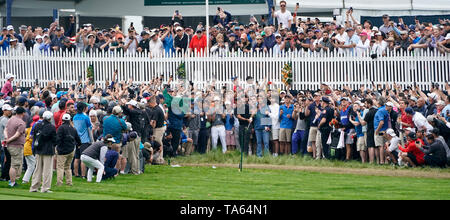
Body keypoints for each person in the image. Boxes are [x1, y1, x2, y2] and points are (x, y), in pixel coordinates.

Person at [29, 111, 56, 193]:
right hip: (48, 150)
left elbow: (33, 136)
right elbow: (54, 139)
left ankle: (34, 187)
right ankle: (45, 188)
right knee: (47, 170)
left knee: (37, 169)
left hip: (38, 149)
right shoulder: (51, 127)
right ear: (50, 118)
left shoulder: (37, 125)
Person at [56, 114, 81, 186]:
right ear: (70, 120)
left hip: (62, 150)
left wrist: (56, 146)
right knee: (68, 167)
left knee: (60, 167)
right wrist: (78, 145)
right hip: (71, 150)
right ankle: (69, 182)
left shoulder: (61, 128)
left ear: (62, 120)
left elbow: (58, 139)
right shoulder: (73, 129)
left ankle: (59, 183)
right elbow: (78, 140)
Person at [4, 106, 26, 187]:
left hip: (10, 145)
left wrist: (7, 138)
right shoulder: (21, 122)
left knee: (13, 164)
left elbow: (5, 130)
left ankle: (12, 181)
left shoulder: (10, 119)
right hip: (16, 145)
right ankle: (12, 182)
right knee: (14, 165)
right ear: (23, 113)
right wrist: (8, 140)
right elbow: (17, 135)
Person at [73, 102, 94, 179]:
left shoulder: (74, 117)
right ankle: (83, 175)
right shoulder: (86, 118)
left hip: (76, 139)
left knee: (77, 157)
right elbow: (89, 130)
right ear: (84, 108)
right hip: (85, 140)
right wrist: (92, 141)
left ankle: (76, 173)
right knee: (83, 159)